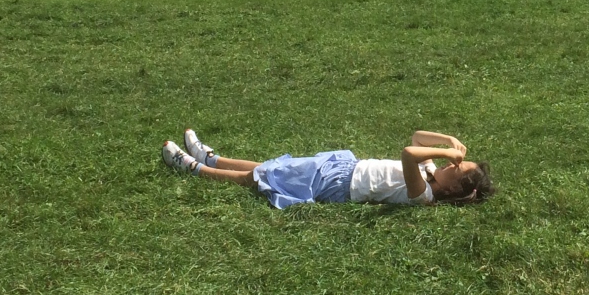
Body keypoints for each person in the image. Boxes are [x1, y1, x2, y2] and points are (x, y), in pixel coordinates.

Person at [161, 129, 493, 208]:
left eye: (459, 168)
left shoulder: (422, 193)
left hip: (339, 185)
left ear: (452, 188)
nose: (455, 162)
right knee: (276, 167)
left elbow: (409, 152)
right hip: (344, 167)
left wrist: (443, 151)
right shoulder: (431, 172)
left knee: (258, 178)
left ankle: (194, 169)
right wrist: (447, 139)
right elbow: (417, 136)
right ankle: (212, 158)